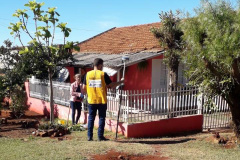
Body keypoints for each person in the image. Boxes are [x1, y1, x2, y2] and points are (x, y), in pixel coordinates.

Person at [83, 58, 124, 141]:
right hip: (101, 100)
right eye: (102, 65)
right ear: (100, 65)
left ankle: (89, 137)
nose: (102, 67)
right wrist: (121, 81)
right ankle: (100, 136)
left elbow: (84, 87)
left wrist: (90, 93)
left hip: (91, 100)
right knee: (102, 118)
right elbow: (111, 85)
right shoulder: (103, 74)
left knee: (91, 118)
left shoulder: (87, 74)